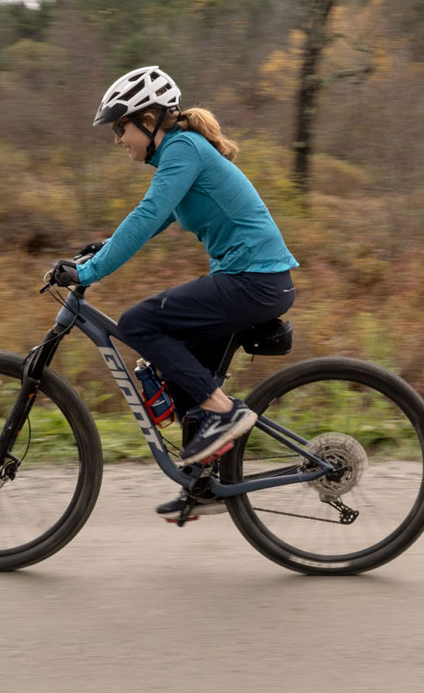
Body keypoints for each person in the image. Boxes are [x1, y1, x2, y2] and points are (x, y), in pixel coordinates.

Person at [45, 65, 297, 517]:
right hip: (253, 282)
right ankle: (205, 486)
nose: (117, 140)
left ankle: (226, 413)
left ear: (149, 119)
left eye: (120, 128)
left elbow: (146, 215)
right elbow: (159, 217)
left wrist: (89, 273)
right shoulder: (180, 154)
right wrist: (101, 251)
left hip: (253, 281)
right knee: (184, 382)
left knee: (139, 322)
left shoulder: (183, 148)